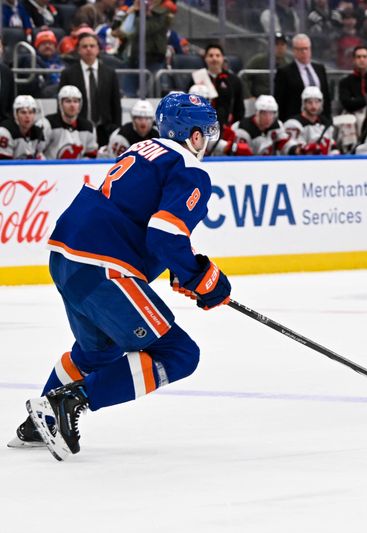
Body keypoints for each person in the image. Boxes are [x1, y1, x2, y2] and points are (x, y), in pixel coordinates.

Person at [16, 92, 232, 460]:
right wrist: (201, 278)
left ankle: (39, 424)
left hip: (67, 257)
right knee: (179, 353)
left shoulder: (142, 149)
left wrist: (183, 270)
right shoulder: (190, 169)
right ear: (193, 135)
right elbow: (164, 234)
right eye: (205, 132)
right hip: (104, 266)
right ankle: (71, 401)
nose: (207, 140)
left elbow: (142, 225)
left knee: (100, 350)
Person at [59, 32, 122, 146]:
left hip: (105, 130)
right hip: (78, 129)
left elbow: (115, 104)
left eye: (92, 46)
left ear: (98, 49)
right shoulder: (68, 74)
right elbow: (61, 104)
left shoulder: (110, 73)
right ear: (78, 50)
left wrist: (117, 130)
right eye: (84, 46)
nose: (88, 49)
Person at [274, 33, 332, 121]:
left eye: (306, 48)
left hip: (320, 119)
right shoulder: (285, 72)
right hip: (295, 118)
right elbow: (280, 99)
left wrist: (328, 119)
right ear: (294, 50)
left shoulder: (320, 69)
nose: (304, 52)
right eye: (300, 49)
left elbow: (326, 96)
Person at [42, 85, 98, 159]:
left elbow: (91, 156)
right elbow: (38, 153)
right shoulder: (47, 124)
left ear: (80, 105)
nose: (72, 105)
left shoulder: (88, 127)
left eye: (75, 101)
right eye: (68, 101)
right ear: (60, 104)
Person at [196, 43, 245, 127]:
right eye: (211, 56)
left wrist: (236, 125)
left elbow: (239, 107)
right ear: (205, 58)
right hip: (200, 125)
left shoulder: (233, 80)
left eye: (217, 55)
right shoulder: (197, 78)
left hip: (225, 126)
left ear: (223, 58)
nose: (214, 58)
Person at [232, 94, 298, 156]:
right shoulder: (243, 129)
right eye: (264, 113)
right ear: (257, 113)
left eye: (271, 113)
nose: (268, 118)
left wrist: (296, 149)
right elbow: (239, 155)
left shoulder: (277, 126)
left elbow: (284, 143)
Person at [284, 86, 340, 155]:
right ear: (304, 103)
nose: (313, 106)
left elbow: (331, 146)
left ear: (321, 103)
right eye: (310, 102)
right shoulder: (293, 123)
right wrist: (305, 149)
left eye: (317, 102)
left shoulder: (326, 123)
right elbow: (289, 149)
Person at [0, 95, 45, 159]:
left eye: (31, 112)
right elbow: (3, 165)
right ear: (16, 114)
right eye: (23, 112)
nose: (27, 116)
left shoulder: (38, 132)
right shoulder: (5, 131)